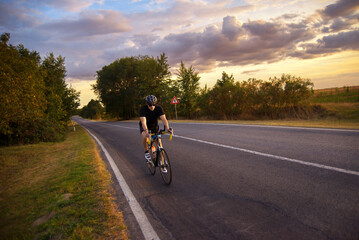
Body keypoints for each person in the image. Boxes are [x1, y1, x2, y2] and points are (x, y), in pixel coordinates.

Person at [139, 95, 172, 162]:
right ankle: (146, 152)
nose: (152, 107)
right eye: (150, 105)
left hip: (154, 127)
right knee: (145, 136)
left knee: (159, 145)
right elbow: (143, 122)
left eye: (153, 104)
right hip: (145, 127)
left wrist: (168, 128)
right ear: (147, 104)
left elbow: (164, 119)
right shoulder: (143, 109)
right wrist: (146, 131)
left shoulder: (158, 108)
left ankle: (162, 163)